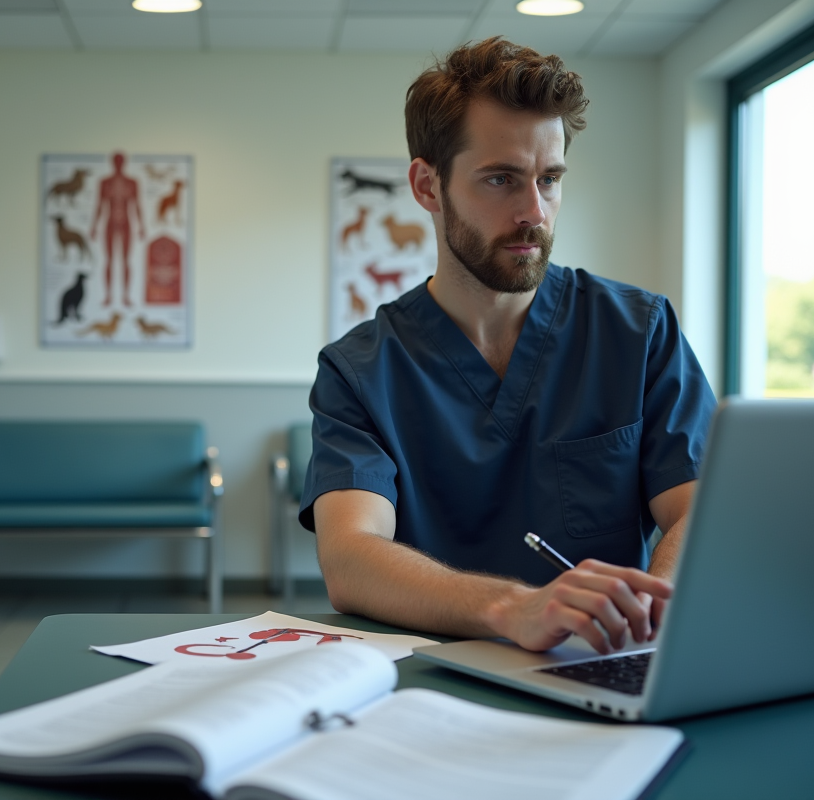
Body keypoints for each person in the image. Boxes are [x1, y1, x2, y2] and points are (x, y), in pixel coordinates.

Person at [299, 38, 717, 656]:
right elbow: (351, 559)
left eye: (549, 180)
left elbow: (699, 506)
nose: (534, 212)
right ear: (427, 185)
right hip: (432, 678)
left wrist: (650, 612)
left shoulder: (638, 332)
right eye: (500, 179)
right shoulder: (360, 370)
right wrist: (515, 609)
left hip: (605, 663)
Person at [90, 151, 143, 307]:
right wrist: (94, 226)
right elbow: (99, 205)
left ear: (124, 163)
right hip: (110, 223)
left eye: (121, 161)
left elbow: (137, 205)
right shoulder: (105, 182)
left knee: (126, 261)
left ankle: (126, 296)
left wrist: (141, 226)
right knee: (109, 260)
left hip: (126, 223)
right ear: (112, 163)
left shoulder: (132, 182)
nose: (118, 164)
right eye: (116, 161)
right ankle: (108, 296)